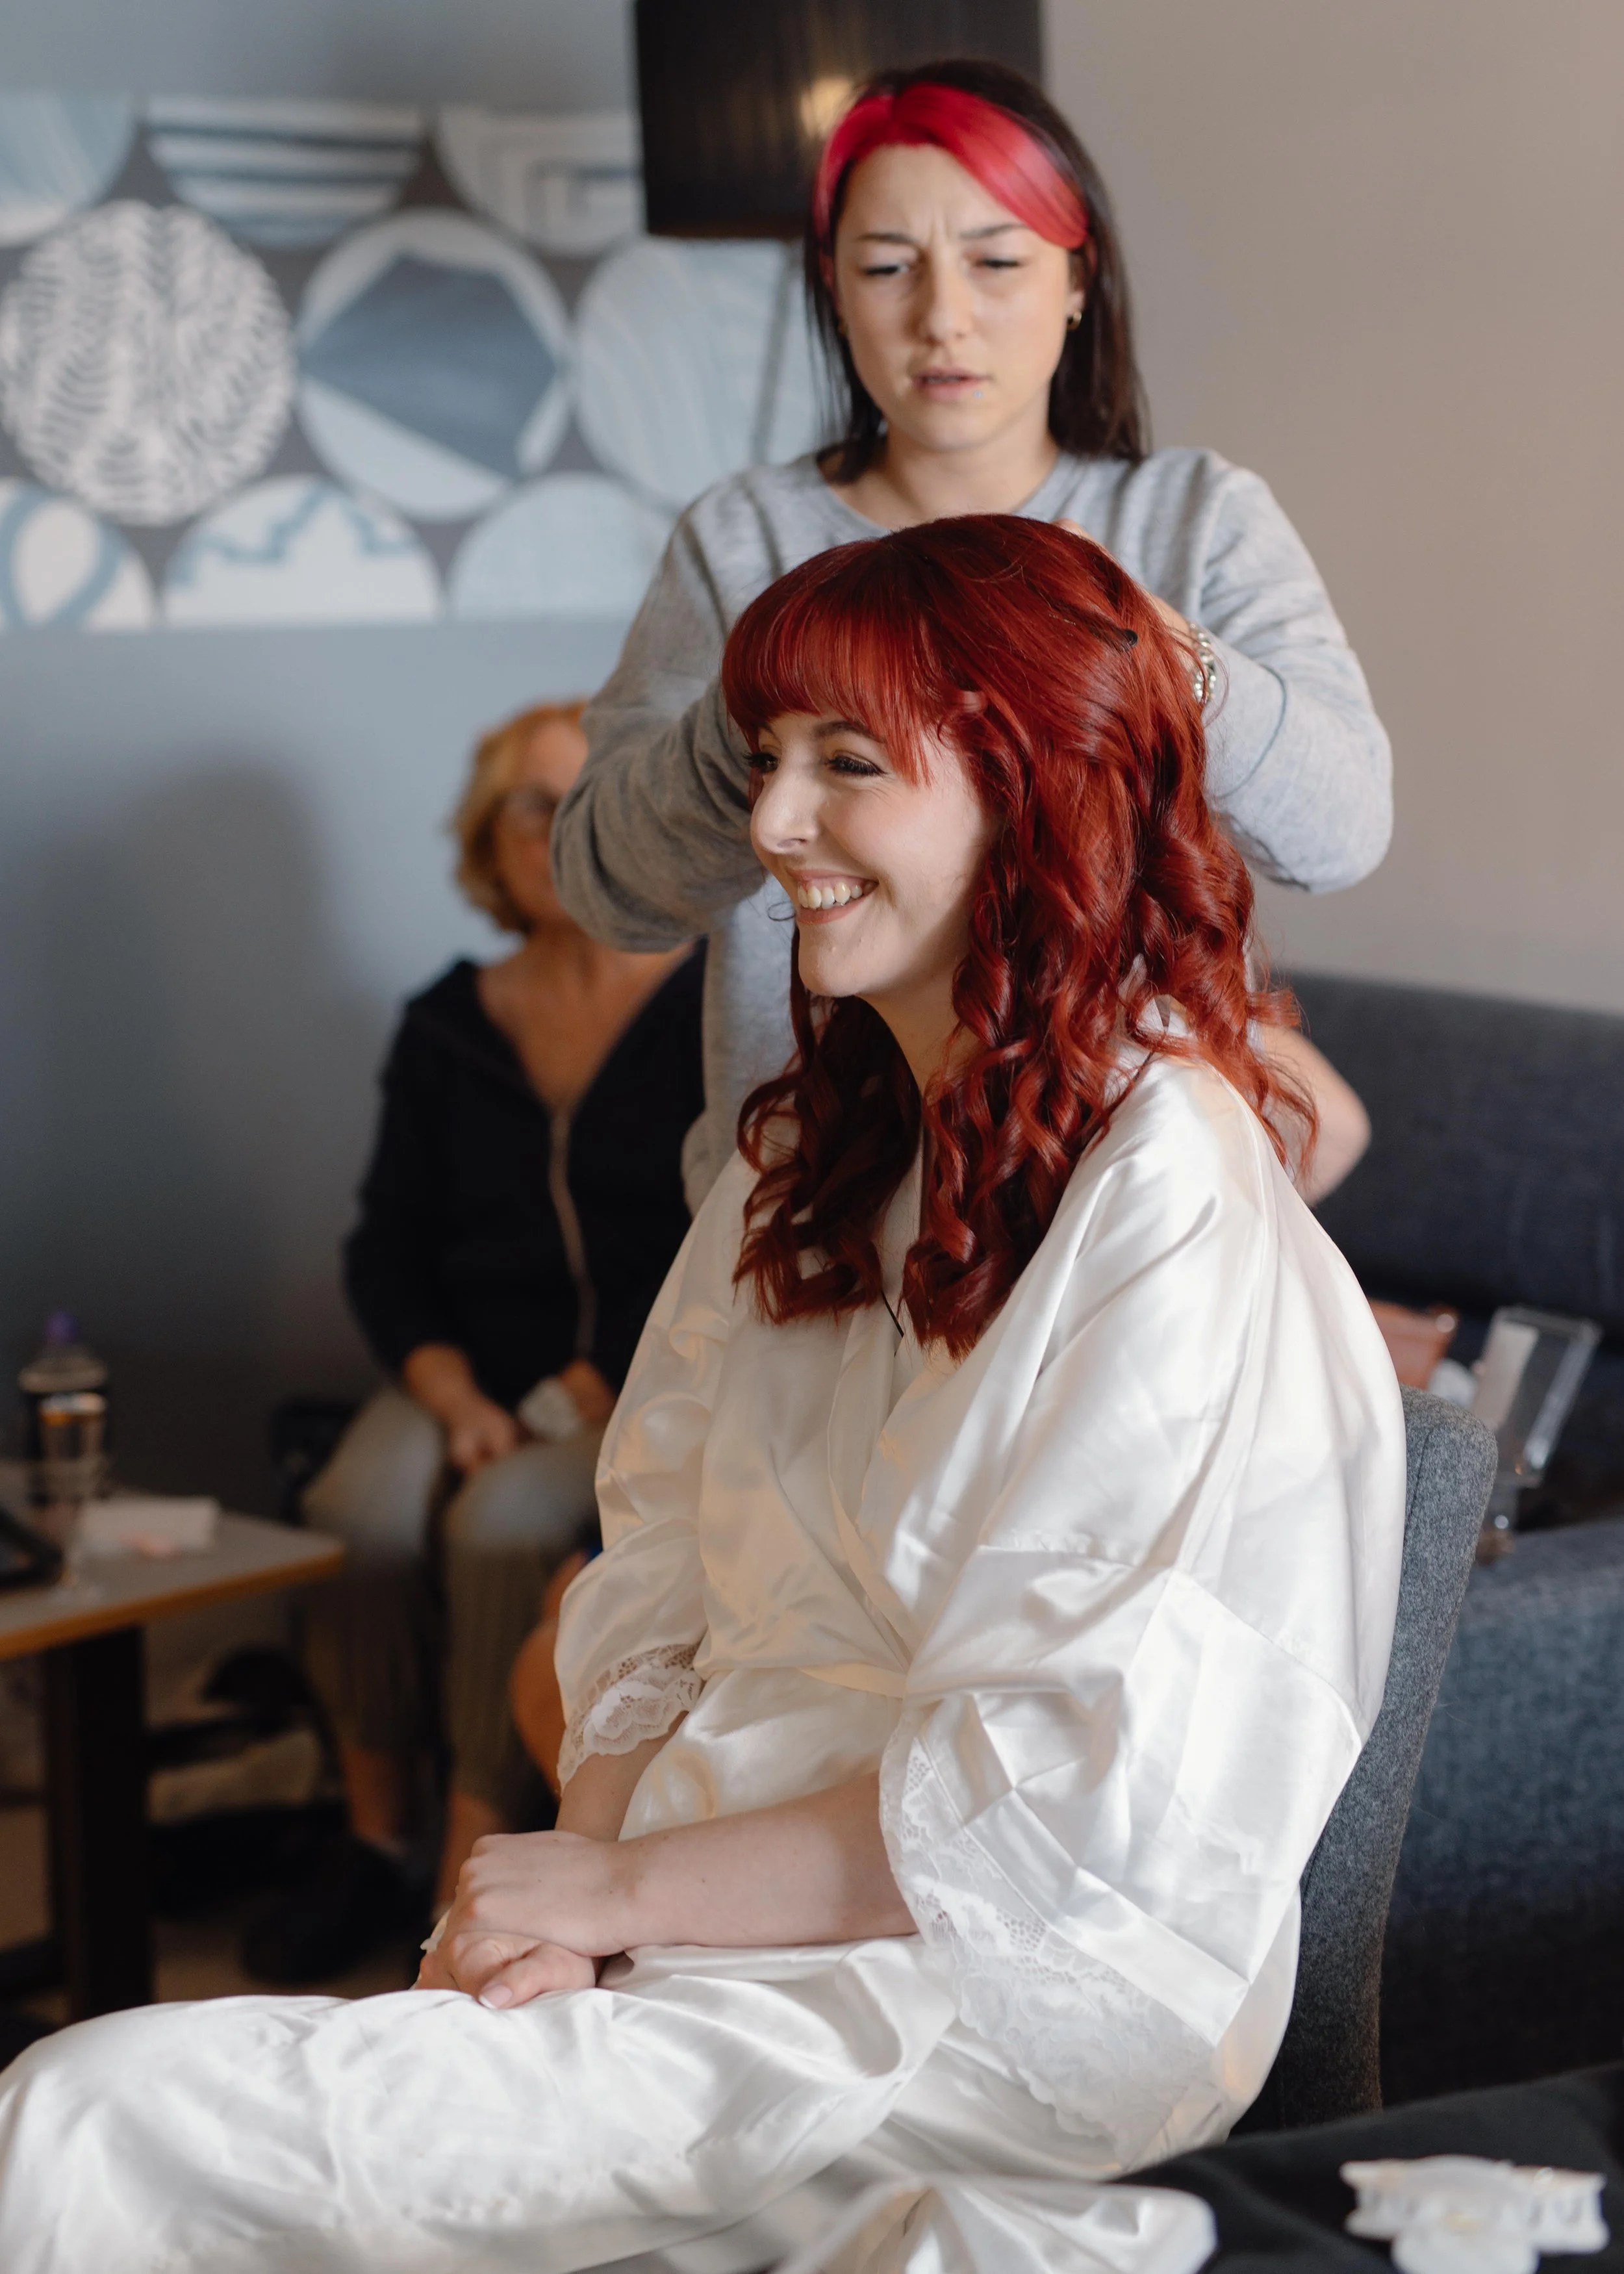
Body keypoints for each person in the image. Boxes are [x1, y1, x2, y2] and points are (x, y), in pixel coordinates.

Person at [0, 518, 1404, 2271]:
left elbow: (1049, 1794)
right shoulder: (807, 1153)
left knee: (78, 2118)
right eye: (768, 758)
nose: (771, 825)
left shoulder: (1163, 1184)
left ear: (1036, 788)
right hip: (698, 1883)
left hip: (985, 1984)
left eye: (847, 764)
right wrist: (565, 1898)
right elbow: (655, 1569)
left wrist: (623, 1891)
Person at [552, 58, 1382, 1213]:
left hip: (1127, 1208)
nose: (943, 317)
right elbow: (606, 888)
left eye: (996, 261)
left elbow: (1343, 830)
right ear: (834, 292)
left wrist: (1151, 645)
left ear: (1078, 280)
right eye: (887, 266)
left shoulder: (1197, 518)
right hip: (808, 1207)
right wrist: (781, 692)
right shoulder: (742, 539)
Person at [248, 700, 703, 1984]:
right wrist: (450, 1394)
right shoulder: (447, 1023)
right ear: (487, 840)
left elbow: (725, 1225)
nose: (559, 832)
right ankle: (374, 1835)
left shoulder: (711, 1011)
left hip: (636, 1380)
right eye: (528, 807)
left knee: (503, 1520)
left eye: (585, 803)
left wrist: (601, 1377)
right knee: (359, 1507)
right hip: (463, 1364)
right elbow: (384, 1245)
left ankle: (472, 1860)